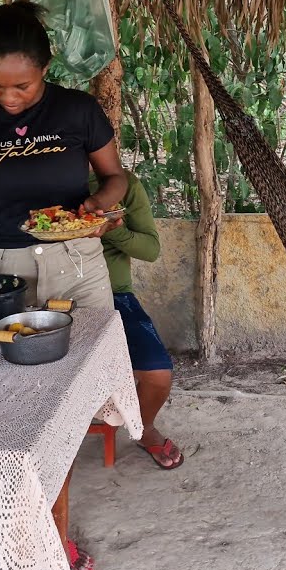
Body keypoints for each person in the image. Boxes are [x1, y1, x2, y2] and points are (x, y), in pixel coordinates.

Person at [0, 1, 126, 312]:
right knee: (3, 344)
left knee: (94, 344)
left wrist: (98, 207)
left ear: (45, 68)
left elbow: (115, 177)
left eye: (23, 86)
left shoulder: (78, 110)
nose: (9, 98)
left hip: (77, 267)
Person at [89, 169, 183, 470]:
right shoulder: (41, 177)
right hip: (50, 296)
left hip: (116, 296)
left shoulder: (123, 185)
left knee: (158, 373)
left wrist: (113, 229)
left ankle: (145, 427)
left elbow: (150, 250)